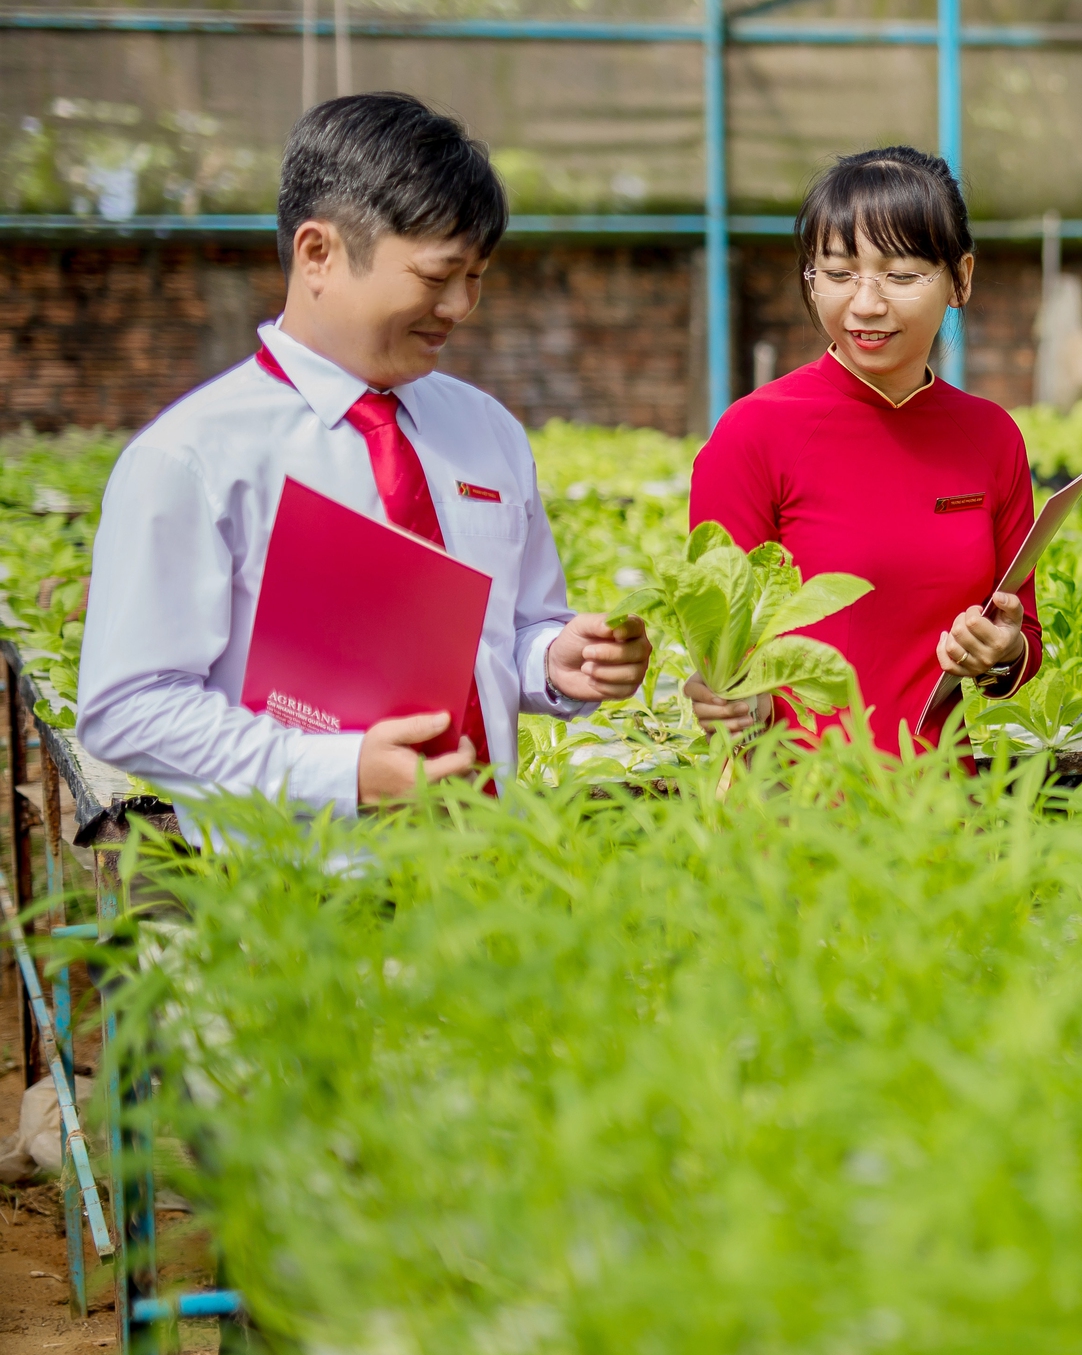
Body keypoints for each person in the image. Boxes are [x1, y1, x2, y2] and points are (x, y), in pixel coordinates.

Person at [78, 92, 653, 830]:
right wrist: (339, 772)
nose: (459, 305)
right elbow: (128, 707)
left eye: (476, 275)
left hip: (493, 876)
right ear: (318, 253)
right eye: (435, 275)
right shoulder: (193, 458)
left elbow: (516, 628)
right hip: (296, 895)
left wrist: (554, 659)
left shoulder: (486, 431)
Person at [686, 147, 1041, 754]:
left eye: (901, 276)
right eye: (839, 273)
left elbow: (1022, 632)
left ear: (961, 278)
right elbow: (721, 652)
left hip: (945, 813)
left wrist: (1005, 652)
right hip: (797, 815)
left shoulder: (991, 437)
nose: (867, 304)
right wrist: (731, 693)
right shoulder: (753, 433)